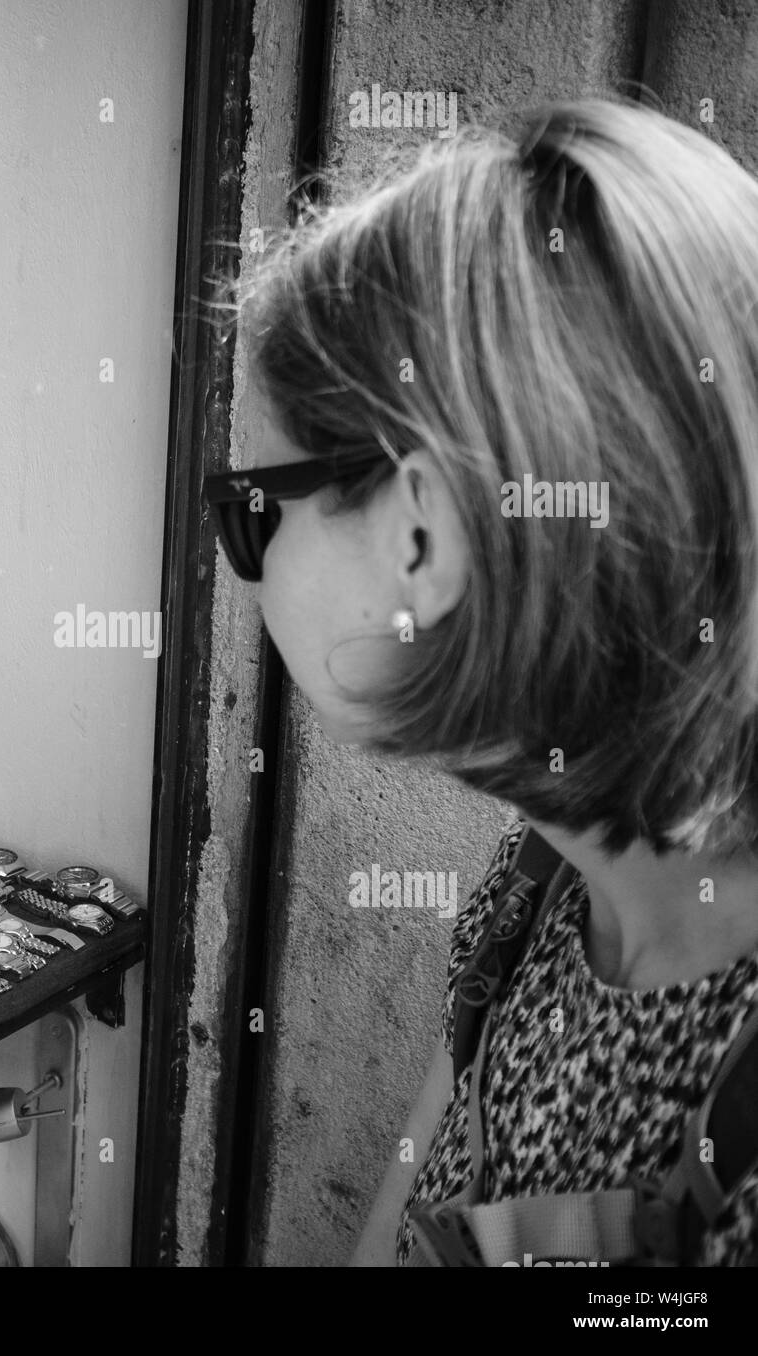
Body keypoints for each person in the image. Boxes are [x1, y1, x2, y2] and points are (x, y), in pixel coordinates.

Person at [205, 97, 758, 1266]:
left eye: (250, 510)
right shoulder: (551, 866)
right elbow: (427, 1168)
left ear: (422, 538)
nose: (237, 557)